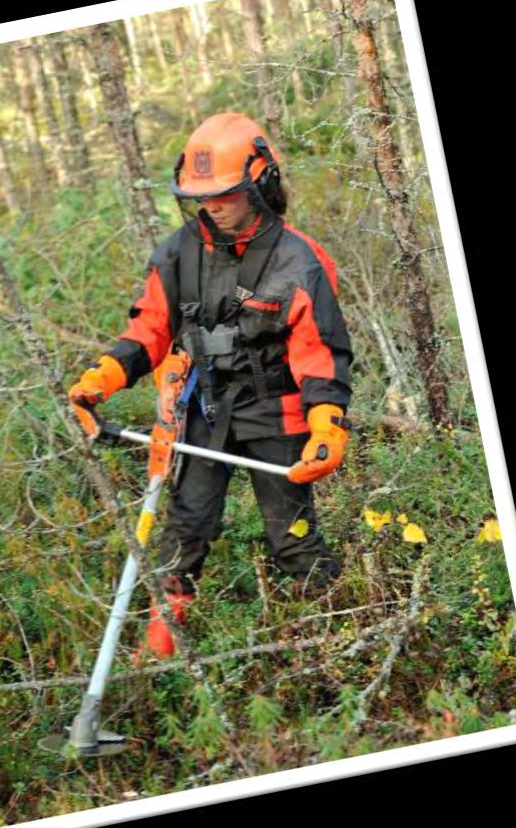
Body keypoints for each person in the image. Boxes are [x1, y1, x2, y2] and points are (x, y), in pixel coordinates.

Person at [68, 112, 353, 658]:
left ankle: (336, 637)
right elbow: (150, 328)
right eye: (203, 196)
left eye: (225, 193)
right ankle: (161, 651)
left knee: (290, 536)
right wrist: (103, 377)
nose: (212, 205)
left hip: (279, 409)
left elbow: (319, 352)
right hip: (204, 407)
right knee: (187, 527)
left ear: (259, 184)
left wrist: (327, 423)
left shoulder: (301, 261)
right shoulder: (178, 252)